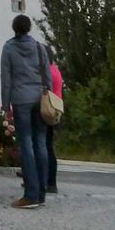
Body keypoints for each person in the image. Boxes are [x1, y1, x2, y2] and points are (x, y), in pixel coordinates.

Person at [0, 14, 51, 209]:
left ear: (14, 29)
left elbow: (6, 79)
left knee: (26, 145)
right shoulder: (39, 47)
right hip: (39, 98)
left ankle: (30, 193)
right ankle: (41, 191)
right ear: (29, 28)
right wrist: (48, 95)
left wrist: (6, 106)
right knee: (41, 143)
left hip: (21, 100)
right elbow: (46, 73)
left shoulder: (9, 48)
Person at [45, 46, 64, 194]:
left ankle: (50, 181)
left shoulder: (48, 72)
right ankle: (50, 181)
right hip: (55, 111)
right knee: (48, 145)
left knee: (46, 147)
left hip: (47, 111)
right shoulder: (56, 70)